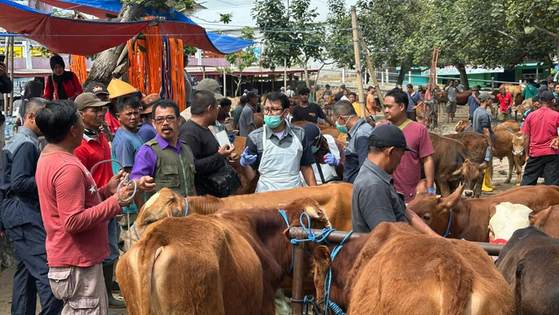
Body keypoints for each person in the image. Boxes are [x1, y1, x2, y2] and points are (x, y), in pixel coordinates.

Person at [35, 100, 152, 315]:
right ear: (73, 130)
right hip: (77, 263)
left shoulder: (51, 155)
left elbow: (76, 203)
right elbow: (72, 221)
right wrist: (115, 203)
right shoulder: (67, 166)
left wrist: (107, 190)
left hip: (72, 260)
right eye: (80, 119)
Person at [0, 97, 63, 315]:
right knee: (46, 270)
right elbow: (18, 182)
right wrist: (48, 178)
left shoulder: (18, 140)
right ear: (31, 116)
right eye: (44, 117)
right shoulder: (26, 144)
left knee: (26, 272)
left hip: (15, 211)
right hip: (23, 213)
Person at [73, 93, 127, 308]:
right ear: (80, 114)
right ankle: (100, 297)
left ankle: (106, 293)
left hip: (109, 201)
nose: (100, 113)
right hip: (94, 206)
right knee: (99, 252)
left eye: (102, 109)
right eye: (94, 110)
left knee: (111, 249)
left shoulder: (102, 136)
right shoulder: (80, 146)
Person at [351, 124, 439, 235]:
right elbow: (389, 236)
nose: (400, 161)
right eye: (401, 155)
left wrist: (435, 237)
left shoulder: (378, 176)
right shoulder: (374, 186)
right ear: (391, 152)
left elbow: (407, 213)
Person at [240, 92, 317, 192]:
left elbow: (306, 167)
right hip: (266, 193)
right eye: (266, 109)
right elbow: (250, 176)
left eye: (275, 109)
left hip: (294, 191)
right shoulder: (255, 137)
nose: (269, 113)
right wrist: (245, 165)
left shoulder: (299, 134)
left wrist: (316, 192)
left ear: (286, 113)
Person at [131, 99, 196, 207]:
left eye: (170, 118)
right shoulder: (148, 151)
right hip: (163, 220)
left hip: (188, 217)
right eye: (160, 119)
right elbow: (135, 185)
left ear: (179, 120)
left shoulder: (186, 148)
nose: (165, 123)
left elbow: (191, 185)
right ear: (154, 124)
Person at [378, 88, 435, 203]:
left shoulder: (419, 129)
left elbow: (427, 159)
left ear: (401, 107)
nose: (386, 110)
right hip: (382, 191)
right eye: (385, 107)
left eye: (390, 107)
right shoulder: (379, 129)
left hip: (409, 194)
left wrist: (430, 188)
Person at [179, 90, 236, 197]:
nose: (218, 111)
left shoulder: (204, 128)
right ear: (210, 109)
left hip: (214, 194)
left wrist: (224, 157)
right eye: (217, 108)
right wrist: (219, 156)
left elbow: (208, 156)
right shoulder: (189, 133)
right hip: (204, 199)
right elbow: (191, 167)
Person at [111, 95, 144, 215]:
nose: (133, 117)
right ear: (118, 117)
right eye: (129, 114)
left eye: (136, 113)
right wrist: (141, 204)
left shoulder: (133, 134)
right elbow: (128, 175)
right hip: (132, 207)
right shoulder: (124, 141)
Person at [331, 100, 374, 184]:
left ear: (342, 118)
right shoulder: (357, 132)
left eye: (336, 121)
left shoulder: (362, 135)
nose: (336, 125)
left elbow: (366, 170)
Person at [522, 91, 559, 186]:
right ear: (552, 101)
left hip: (535, 152)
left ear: (539, 101)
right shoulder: (556, 115)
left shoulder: (530, 115)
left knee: (527, 183)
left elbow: (526, 137)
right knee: (552, 184)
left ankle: (524, 200)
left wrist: (526, 154)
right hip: (552, 153)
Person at [472, 92, 496, 191]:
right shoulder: (484, 114)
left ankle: (486, 183)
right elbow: (486, 130)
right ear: (486, 100)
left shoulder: (476, 111)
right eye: (490, 99)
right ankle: (482, 185)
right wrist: (490, 145)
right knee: (485, 162)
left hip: (476, 139)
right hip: (484, 141)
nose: (491, 101)